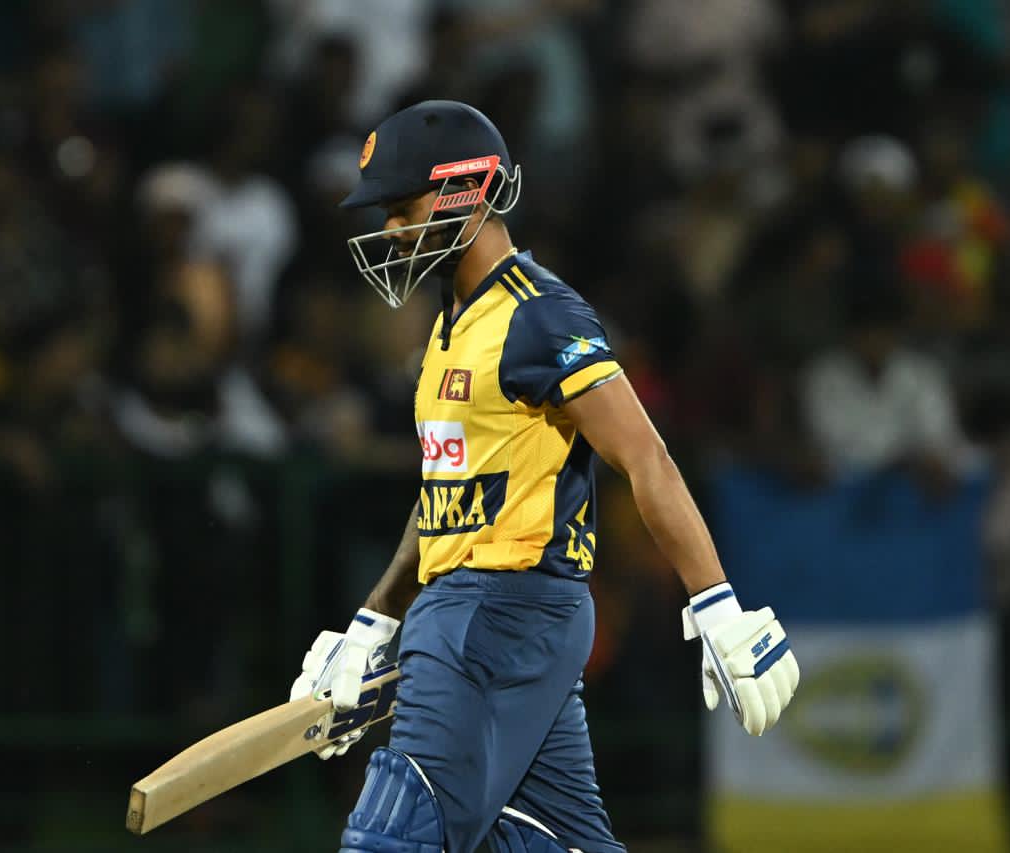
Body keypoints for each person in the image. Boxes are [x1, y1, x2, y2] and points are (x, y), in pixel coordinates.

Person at [290, 100, 801, 853]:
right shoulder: (451, 324)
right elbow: (444, 495)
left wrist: (716, 601)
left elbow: (646, 457)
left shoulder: (539, 316)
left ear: (466, 191)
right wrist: (375, 621)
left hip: (496, 614)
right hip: (488, 614)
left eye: (403, 207)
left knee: (392, 840)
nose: (390, 229)